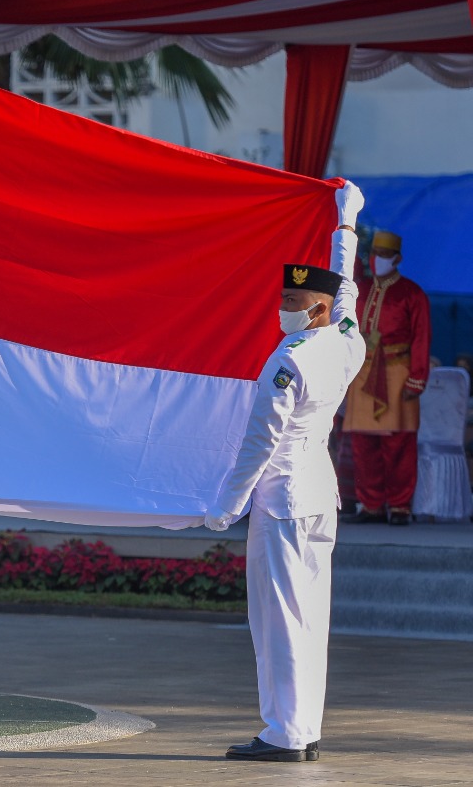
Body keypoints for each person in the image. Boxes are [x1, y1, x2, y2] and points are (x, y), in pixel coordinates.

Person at [204, 209, 365, 763]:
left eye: (293, 301)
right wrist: (346, 227)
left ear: (315, 308)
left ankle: (285, 734)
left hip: (281, 501)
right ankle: (303, 728)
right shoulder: (346, 343)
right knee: (310, 617)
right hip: (318, 494)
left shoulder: (288, 361)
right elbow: (348, 292)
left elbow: (260, 443)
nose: (282, 309)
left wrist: (227, 506)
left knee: (279, 623)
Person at [342, 230, 431, 525]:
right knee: (363, 443)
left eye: (383, 255)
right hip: (362, 371)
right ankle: (371, 505)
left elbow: (421, 338)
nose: (377, 259)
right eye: (374, 253)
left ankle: (400, 506)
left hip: (397, 372)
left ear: (397, 259)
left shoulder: (412, 293)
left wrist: (417, 379)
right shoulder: (360, 290)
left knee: (398, 444)